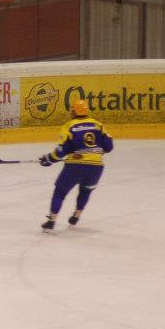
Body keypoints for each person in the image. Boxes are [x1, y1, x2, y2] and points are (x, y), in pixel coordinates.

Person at [39, 98, 114, 231]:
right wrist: (94, 152)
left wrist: (49, 159)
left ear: (74, 111)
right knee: (86, 190)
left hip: (74, 166)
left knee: (60, 191)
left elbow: (62, 150)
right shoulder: (98, 125)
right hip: (96, 167)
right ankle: (76, 216)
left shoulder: (69, 126)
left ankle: (52, 220)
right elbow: (109, 146)